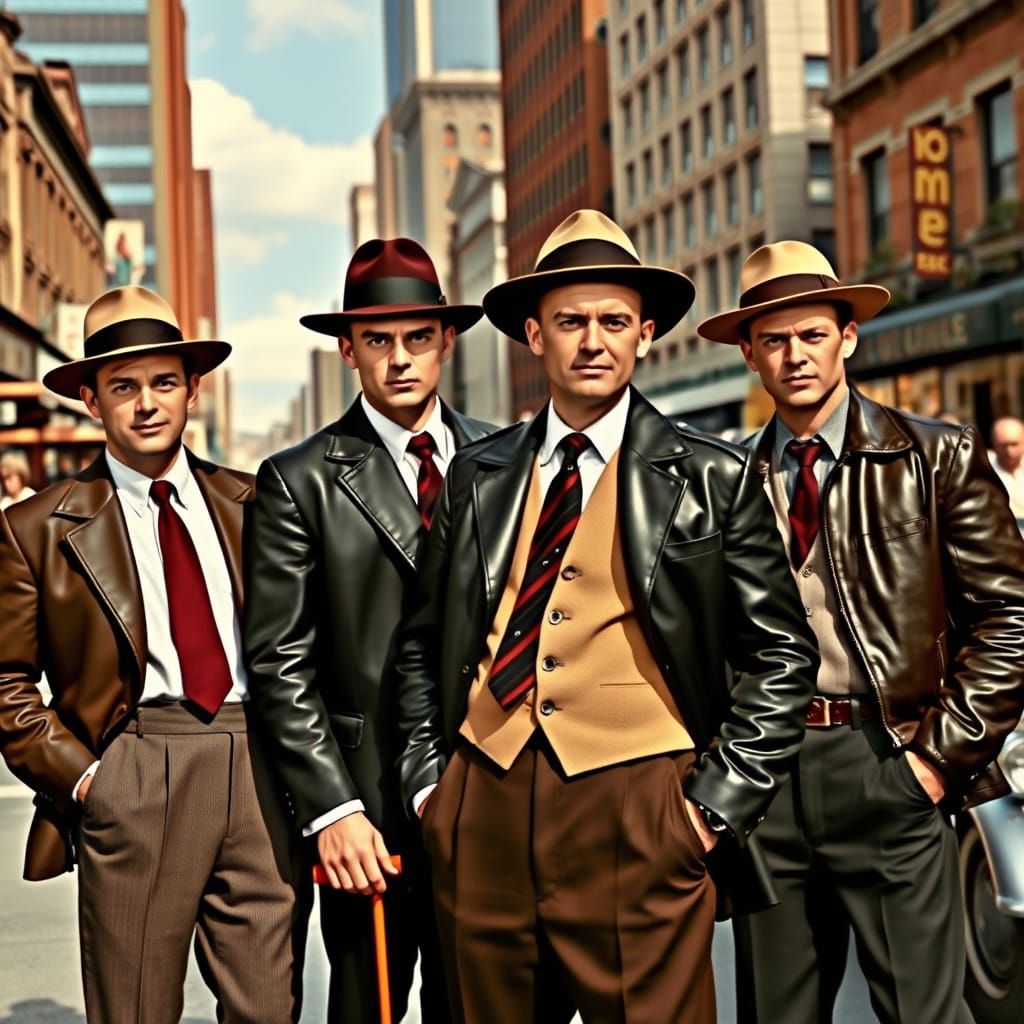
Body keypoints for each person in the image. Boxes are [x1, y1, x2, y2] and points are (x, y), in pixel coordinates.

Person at [391, 210, 820, 1023]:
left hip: (641, 804)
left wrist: (710, 810)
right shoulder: (477, 473)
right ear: (534, 335)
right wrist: (429, 792)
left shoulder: (712, 475)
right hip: (482, 801)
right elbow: (421, 643)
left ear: (645, 334)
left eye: (615, 322)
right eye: (571, 322)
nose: (593, 341)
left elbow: (781, 656)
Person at [698, 241, 1024, 1024]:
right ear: (749, 353)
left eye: (812, 334)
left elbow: (1010, 618)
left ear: (847, 336)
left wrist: (934, 763)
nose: (795, 356)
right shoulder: (723, 478)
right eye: (774, 340)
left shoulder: (935, 455)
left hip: (890, 758)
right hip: (768, 778)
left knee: (923, 1015)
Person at [0, 286, 305, 1024]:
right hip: (133, 764)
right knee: (135, 1009)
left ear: (193, 390)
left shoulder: (256, 502)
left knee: (270, 1009)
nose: (146, 404)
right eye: (123, 386)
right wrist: (88, 781)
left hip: (257, 764)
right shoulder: (36, 527)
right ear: (92, 400)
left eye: (164, 382)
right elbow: (6, 682)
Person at [244, 237, 495, 1024]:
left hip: (488, 794)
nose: (400, 359)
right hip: (366, 810)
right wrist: (331, 810)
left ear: (447, 341)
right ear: (348, 349)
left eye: (418, 337)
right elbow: (279, 663)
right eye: (378, 340)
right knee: (368, 1010)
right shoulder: (298, 479)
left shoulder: (505, 459)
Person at [989, 415, 1024, 532]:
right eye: (1003, 445)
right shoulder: (986, 471)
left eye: (1014, 444)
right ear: (994, 444)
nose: (1009, 451)